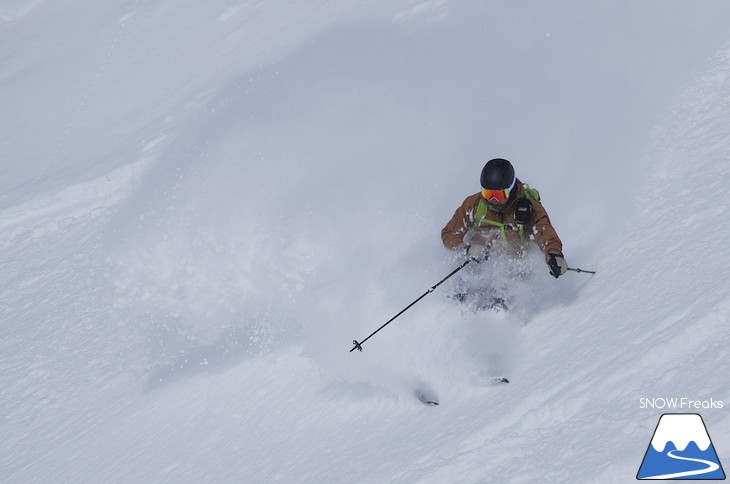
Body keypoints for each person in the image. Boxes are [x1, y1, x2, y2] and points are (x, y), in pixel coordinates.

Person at [441, 158, 567, 278]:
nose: (492, 200)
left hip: (515, 273)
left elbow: (545, 233)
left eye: (498, 195)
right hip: (478, 270)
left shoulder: (528, 208)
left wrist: (554, 254)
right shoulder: (474, 204)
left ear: (511, 190)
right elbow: (449, 233)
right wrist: (466, 249)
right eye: (488, 194)